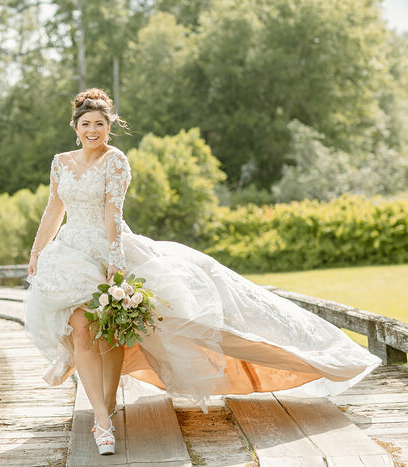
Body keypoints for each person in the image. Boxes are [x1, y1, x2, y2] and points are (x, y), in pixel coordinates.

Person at [22, 88, 381, 456]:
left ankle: (107, 406)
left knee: (110, 332)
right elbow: (54, 209)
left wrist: (114, 261)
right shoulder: (61, 162)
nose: (93, 130)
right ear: (76, 127)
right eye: (86, 124)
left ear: (110, 127)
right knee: (81, 330)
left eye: (100, 123)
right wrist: (37, 250)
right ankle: (101, 418)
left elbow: (113, 214)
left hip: (109, 249)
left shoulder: (116, 161)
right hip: (70, 254)